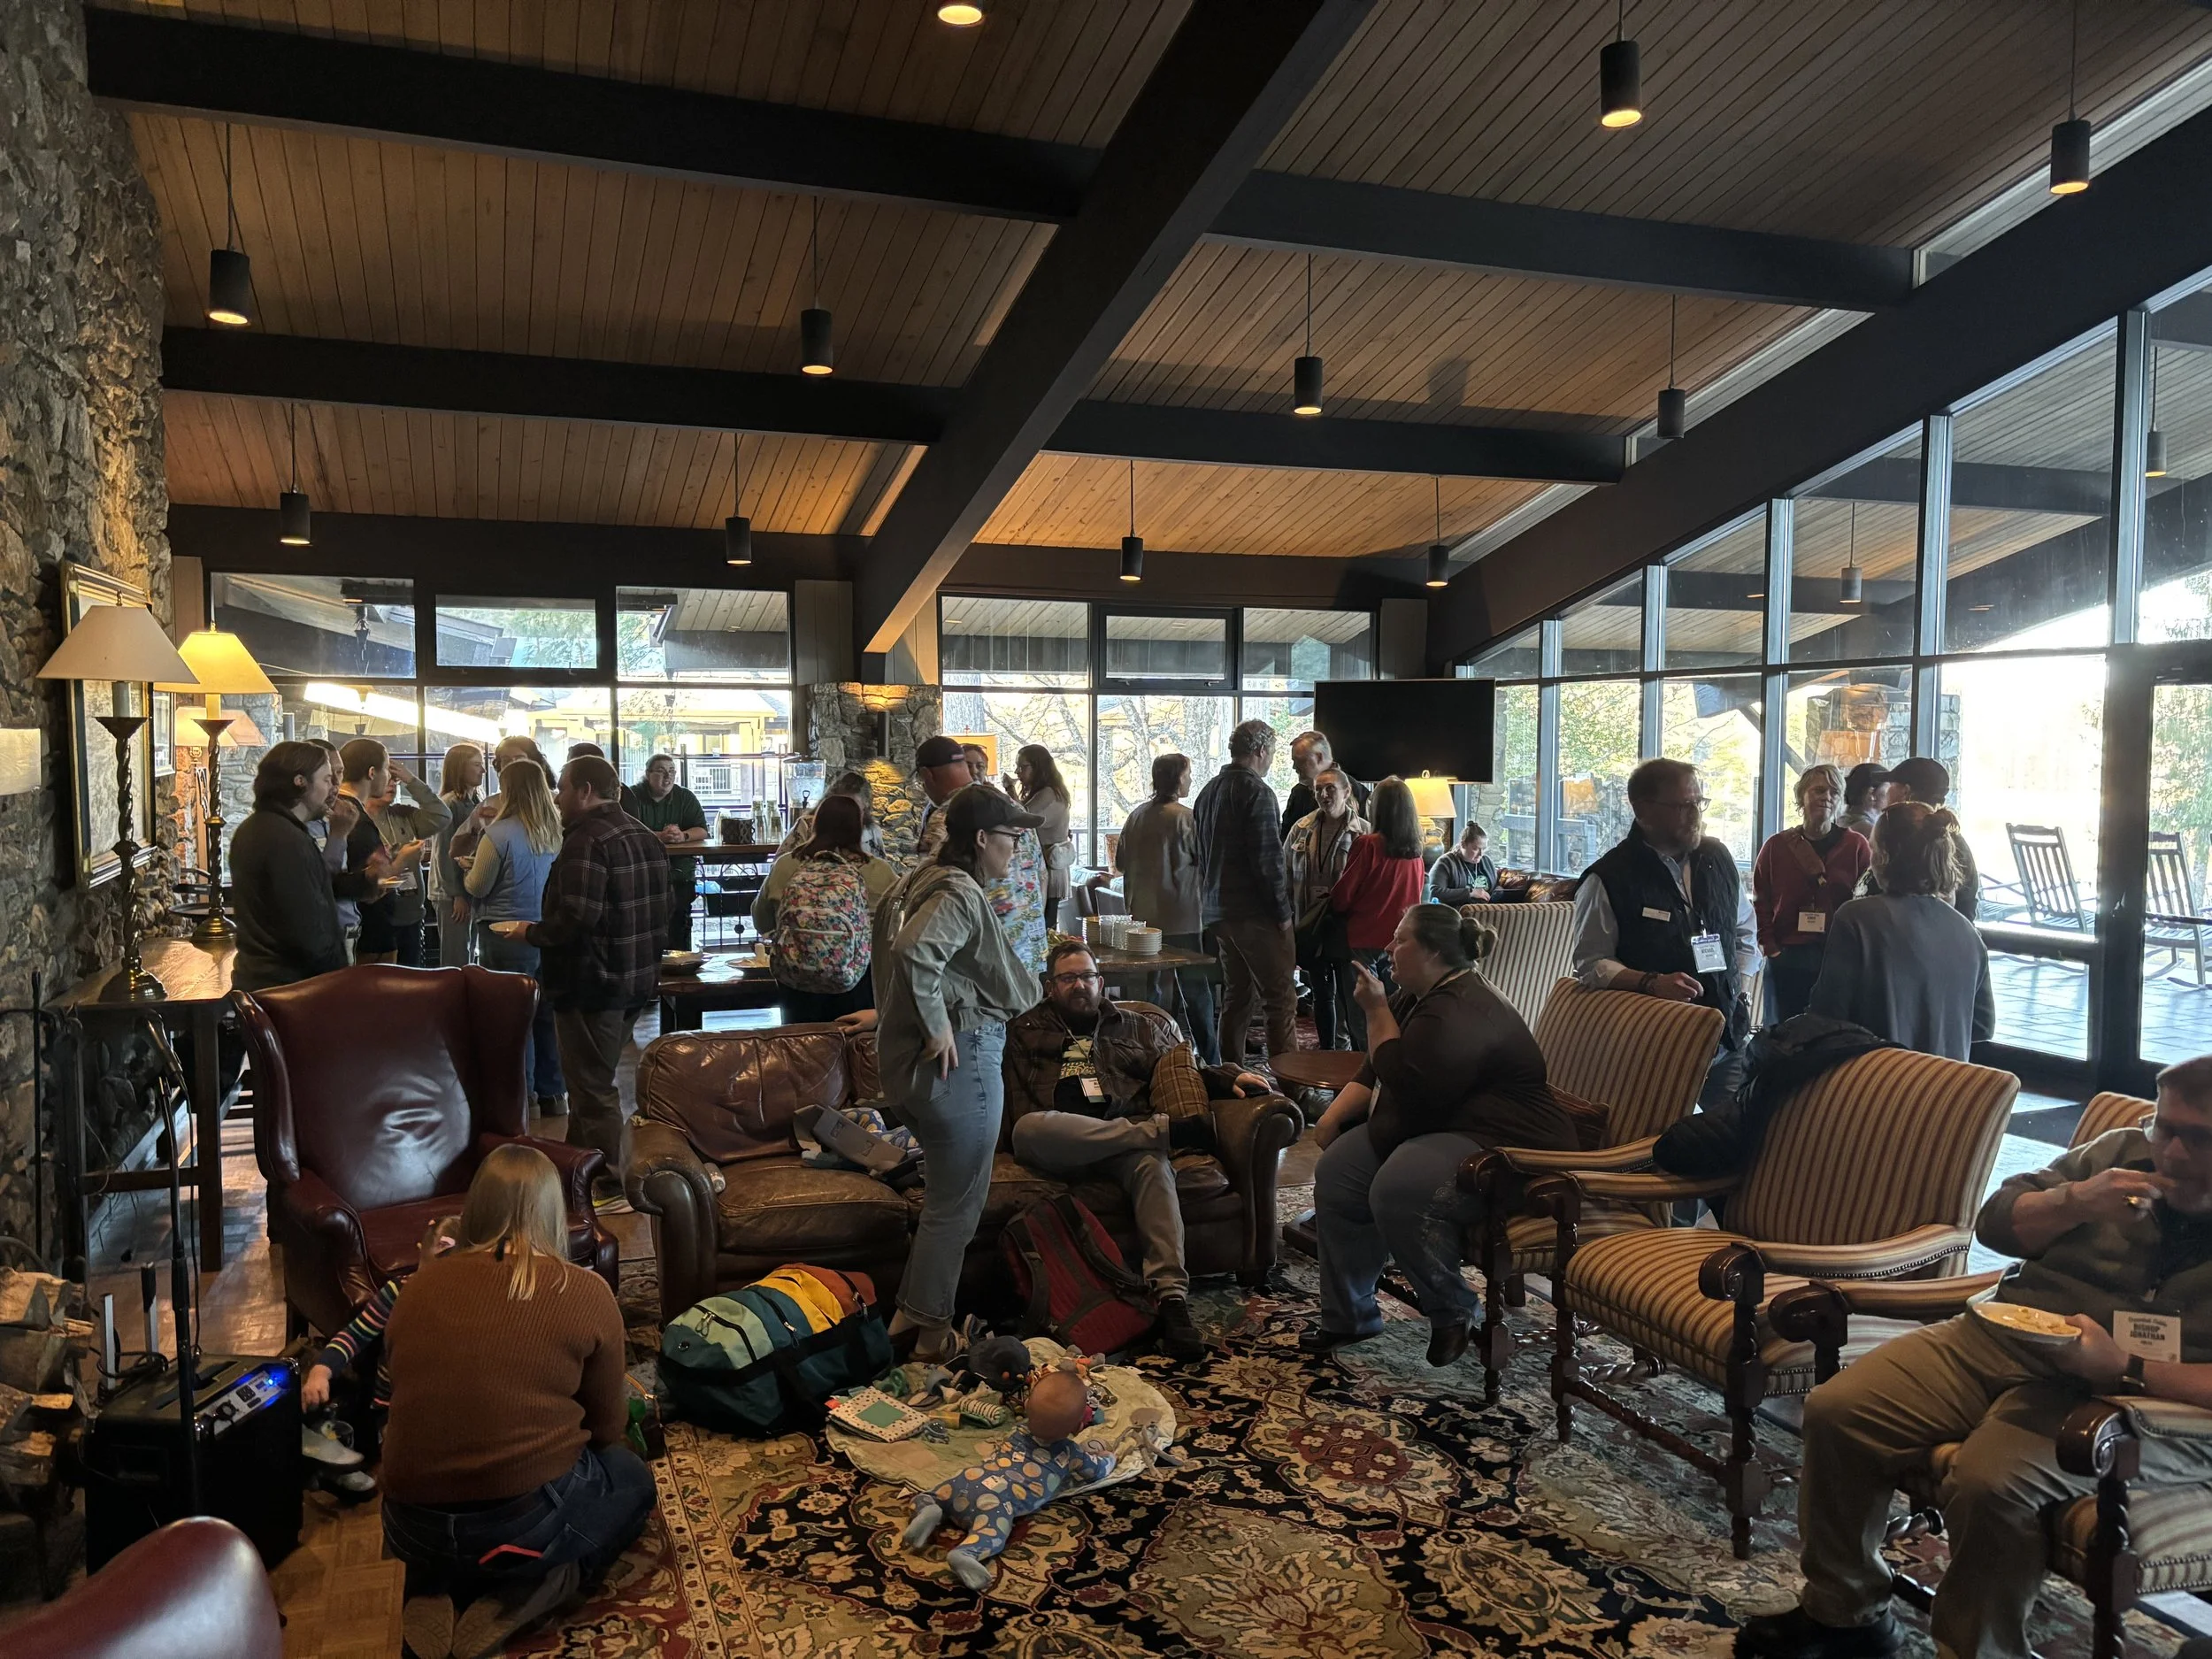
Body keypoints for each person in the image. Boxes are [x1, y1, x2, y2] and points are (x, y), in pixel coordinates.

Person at [1734, 1055, 2212, 1659]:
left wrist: (2126, 1367)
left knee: (1991, 1481)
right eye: (2165, 1128)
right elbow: (1997, 1223)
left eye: (2200, 1139)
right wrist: (2076, 1200)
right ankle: (1844, 1615)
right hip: (2012, 1334)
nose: (2172, 1153)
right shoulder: (2120, 1152)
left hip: (2141, 1397)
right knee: (1840, 1410)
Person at [380, 1145, 653, 1659]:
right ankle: (534, 1589)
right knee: (631, 1479)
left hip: (409, 1526)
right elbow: (608, 1429)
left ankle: (429, 1589)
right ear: (553, 1212)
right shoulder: (584, 1291)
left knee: (445, 1498)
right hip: (521, 1523)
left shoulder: (414, 1288)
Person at [1304, 905, 1576, 1365]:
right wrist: (1332, 1117)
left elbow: (1407, 1083)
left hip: (1508, 1142)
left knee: (1398, 1187)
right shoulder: (1420, 994)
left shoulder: (1462, 1009)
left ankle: (1453, 1308)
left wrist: (1375, 1010)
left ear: (1431, 952)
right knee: (1338, 1172)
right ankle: (1350, 1315)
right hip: (1445, 1123)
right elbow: (1376, 1067)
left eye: (1400, 939)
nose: (1388, 948)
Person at [1002, 941, 1273, 1362]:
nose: (1079, 985)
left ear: (1101, 982)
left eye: (1087, 976)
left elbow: (1183, 1066)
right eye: (1068, 978)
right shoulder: (1024, 1030)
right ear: (1050, 987)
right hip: (1058, 1140)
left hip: (1123, 1141)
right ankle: (1164, 1132)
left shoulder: (1136, 1026)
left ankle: (1172, 1302)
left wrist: (1228, 1079)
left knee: (1153, 1164)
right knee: (1029, 1127)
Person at [871, 785, 1041, 1363]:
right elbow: (915, 951)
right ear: (982, 838)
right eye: (1013, 836)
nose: (1018, 848)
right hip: (961, 1060)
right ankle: (934, 1339)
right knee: (957, 1208)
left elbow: (900, 956)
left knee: (946, 1201)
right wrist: (939, 1026)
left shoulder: (917, 878)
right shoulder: (960, 891)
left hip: (914, 1069)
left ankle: (909, 1322)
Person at [488, 757, 668, 1193]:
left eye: (563, 788)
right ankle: (576, 1171)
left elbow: (575, 918)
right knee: (591, 1078)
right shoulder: (643, 835)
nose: (557, 798)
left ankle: (616, 1182)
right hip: (635, 981)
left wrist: (529, 932)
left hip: (591, 984)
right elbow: (665, 908)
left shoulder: (586, 840)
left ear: (585, 791)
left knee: (593, 1087)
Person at [1570, 757, 1758, 1105]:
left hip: (1727, 1034)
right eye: (1684, 805)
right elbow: (1591, 963)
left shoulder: (1718, 858)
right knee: (1662, 1130)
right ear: (1644, 810)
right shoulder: (1609, 878)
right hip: (1657, 1042)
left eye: (1699, 802)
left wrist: (1739, 985)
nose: (1695, 814)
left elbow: (1744, 930)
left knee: (1736, 1128)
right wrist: (1651, 982)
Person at [1807, 802, 1995, 1061]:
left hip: (1877, 1078)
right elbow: (1982, 1025)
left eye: (1873, 848)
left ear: (1884, 855)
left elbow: (1826, 1016)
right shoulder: (1968, 934)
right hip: (1944, 1081)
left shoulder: (1856, 919)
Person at [1194, 719, 1298, 1068]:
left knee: (1237, 996)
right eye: (1272, 753)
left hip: (1218, 911)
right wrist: (1283, 915)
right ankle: (1294, 1086)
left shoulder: (1208, 791)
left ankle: (1231, 1074)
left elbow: (1201, 856)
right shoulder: (1258, 792)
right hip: (1255, 914)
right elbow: (1268, 861)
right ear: (1261, 750)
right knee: (1279, 1000)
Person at [467, 760, 568, 1114]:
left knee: (514, 1018)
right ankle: (553, 1094)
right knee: (545, 1016)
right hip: (547, 931)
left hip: (504, 932)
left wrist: (467, 871)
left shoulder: (499, 834)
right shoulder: (557, 831)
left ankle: (522, 1099)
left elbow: (478, 886)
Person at [753, 794, 899, 1023]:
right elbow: (896, 928)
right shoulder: (879, 871)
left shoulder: (786, 865)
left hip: (796, 980)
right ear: (859, 829)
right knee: (853, 1040)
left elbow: (761, 921)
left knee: (799, 1040)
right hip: (858, 981)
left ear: (815, 824)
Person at [1114, 753, 1217, 1064]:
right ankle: (1210, 1059)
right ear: (1177, 779)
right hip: (1182, 915)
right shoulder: (1186, 818)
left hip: (1142, 917)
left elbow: (1120, 863)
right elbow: (1206, 861)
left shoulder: (1136, 816)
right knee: (1195, 989)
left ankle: (1150, 1053)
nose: (1190, 780)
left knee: (1149, 991)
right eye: (1187, 774)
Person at [1751, 764, 1872, 1021]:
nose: (1826, 797)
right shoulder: (1776, 847)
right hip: (1787, 956)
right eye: (1819, 790)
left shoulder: (1856, 846)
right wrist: (1771, 948)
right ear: (1801, 795)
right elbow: (1761, 900)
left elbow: (1868, 900)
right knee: (1782, 1033)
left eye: (1834, 792)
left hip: (1837, 957)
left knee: (1831, 1032)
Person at [230, 741, 354, 992]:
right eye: (326, 779)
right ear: (300, 782)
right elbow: (307, 926)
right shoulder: (284, 839)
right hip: (290, 988)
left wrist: (368, 882)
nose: (333, 787)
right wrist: (339, 980)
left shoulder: (259, 827)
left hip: (267, 981)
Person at [1283, 766, 1369, 1049]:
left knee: (1348, 993)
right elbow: (1284, 874)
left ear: (1346, 791)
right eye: (1318, 789)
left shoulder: (1363, 832)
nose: (1324, 795)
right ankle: (1326, 1051)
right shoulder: (1300, 828)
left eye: (1330, 788)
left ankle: (1352, 1054)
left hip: (1345, 925)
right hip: (1309, 922)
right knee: (1321, 992)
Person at [1858, 756, 1981, 921]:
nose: (1885, 792)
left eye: (1891, 785)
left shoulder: (1921, 842)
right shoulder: (1947, 839)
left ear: (1905, 792)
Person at [338, 740, 427, 966]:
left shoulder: (342, 810)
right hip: (369, 936)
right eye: (386, 769)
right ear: (372, 773)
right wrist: (403, 860)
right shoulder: (355, 817)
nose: (389, 777)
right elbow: (368, 885)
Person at [624, 754, 709, 950]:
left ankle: (681, 959)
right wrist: (659, 836)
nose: (668, 776)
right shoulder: (632, 796)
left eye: (671, 771)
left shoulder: (685, 796)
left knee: (679, 917)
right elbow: (625, 830)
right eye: (661, 771)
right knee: (645, 921)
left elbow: (702, 830)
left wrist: (683, 836)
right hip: (642, 872)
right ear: (648, 774)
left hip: (679, 871)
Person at [372, 760, 452, 967]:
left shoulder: (401, 814)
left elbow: (442, 816)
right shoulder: (358, 820)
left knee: (413, 978)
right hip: (375, 919)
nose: (392, 784)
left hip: (411, 915)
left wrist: (412, 781)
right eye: (387, 778)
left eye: (395, 780)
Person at [433, 743, 486, 969]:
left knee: (468, 954)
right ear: (460, 768)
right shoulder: (449, 804)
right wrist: (457, 894)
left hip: (468, 888)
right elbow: (443, 853)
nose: (483, 770)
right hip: (451, 893)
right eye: (477, 765)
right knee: (456, 958)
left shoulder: (476, 801)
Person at [1013, 744, 1076, 918]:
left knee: (1044, 925)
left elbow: (1021, 818)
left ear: (1038, 768)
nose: (1017, 772)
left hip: (1049, 869)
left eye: (1022, 767)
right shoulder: (1047, 792)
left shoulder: (1048, 793)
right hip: (1047, 868)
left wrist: (1010, 790)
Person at [778, 770, 888, 861]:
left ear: (865, 807)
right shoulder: (805, 826)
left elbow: (881, 871)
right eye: (840, 805)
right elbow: (783, 864)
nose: (845, 812)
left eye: (852, 807)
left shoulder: (872, 832)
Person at [1279, 731, 1371, 839]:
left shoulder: (1357, 792)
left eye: (1301, 760)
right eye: (1294, 761)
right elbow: (1286, 837)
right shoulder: (1299, 792)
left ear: (1319, 757)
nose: (1294, 767)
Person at [1427, 820, 1500, 906]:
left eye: (1484, 849)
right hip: (1457, 912)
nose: (1481, 854)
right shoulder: (1446, 863)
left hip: (1486, 911)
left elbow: (1495, 886)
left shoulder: (1487, 861)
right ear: (1463, 844)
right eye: (1476, 849)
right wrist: (1470, 893)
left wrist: (1499, 891)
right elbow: (1434, 893)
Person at [1836, 762, 1890, 841]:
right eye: (1887, 791)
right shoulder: (1868, 830)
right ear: (1871, 793)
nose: (1889, 796)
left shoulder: (1842, 820)